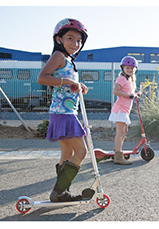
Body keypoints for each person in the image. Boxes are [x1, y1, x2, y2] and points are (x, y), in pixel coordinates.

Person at [37, 18, 92, 202]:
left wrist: (78, 85)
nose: (75, 44)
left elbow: (66, 83)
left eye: (78, 41)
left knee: (67, 154)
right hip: (63, 114)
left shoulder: (68, 60)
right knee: (81, 153)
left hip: (65, 113)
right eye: (70, 38)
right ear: (59, 39)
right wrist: (67, 82)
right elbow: (42, 78)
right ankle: (59, 191)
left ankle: (61, 192)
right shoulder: (58, 56)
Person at [108, 56, 139, 165]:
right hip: (120, 109)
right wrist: (129, 96)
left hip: (125, 110)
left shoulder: (129, 79)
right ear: (123, 68)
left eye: (132, 68)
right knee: (120, 132)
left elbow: (128, 93)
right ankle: (118, 156)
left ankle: (117, 149)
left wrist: (134, 95)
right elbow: (115, 91)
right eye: (128, 68)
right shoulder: (121, 78)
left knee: (124, 131)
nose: (130, 70)